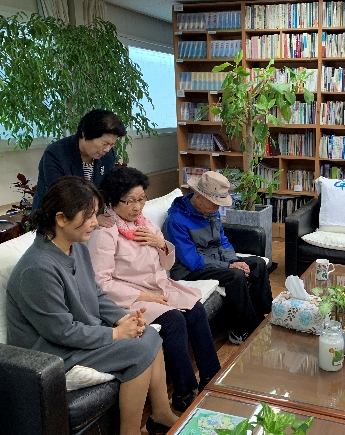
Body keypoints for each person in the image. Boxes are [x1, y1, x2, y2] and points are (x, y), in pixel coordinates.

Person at [6, 176, 178, 435]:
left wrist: (122, 318)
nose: (96, 223)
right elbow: (61, 332)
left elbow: (96, 294)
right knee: (139, 350)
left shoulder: (76, 248)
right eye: (88, 216)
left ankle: (161, 413)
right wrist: (116, 334)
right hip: (52, 354)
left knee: (150, 335)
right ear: (61, 219)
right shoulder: (38, 268)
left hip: (78, 336)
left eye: (95, 214)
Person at [88, 166, 221, 412]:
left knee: (195, 309)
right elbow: (101, 284)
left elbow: (166, 264)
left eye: (141, 199)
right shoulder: (105, 233)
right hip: (129, 298)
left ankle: (212, 377)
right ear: (113, 201)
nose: (137, 207)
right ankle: (184, 392)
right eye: (129, 201)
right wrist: (146, 296)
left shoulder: (145, 224)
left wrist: (161, 244)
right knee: (174, 321)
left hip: (159, 288)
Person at [164, 171, 273, 345]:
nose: (217, 208)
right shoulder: (175, 221)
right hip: (189, 270)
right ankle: (243, 330)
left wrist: (234, 260)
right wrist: (228, 266)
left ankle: (261, 316)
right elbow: (192, 260)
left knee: (258, 264)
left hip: (214, 261)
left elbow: (222, 242)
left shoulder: (210, 212)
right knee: (235, 275)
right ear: (199, 196)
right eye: (214, 204)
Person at [32, 109, 126, 228]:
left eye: (112, 144)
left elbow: (106, 189)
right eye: (104, 143)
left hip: (89, 221)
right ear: (84, 134)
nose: (107, 149)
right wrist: (93, 218)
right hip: (55, 222)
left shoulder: (108, 155)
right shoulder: (55, 154)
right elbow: (62, 198)